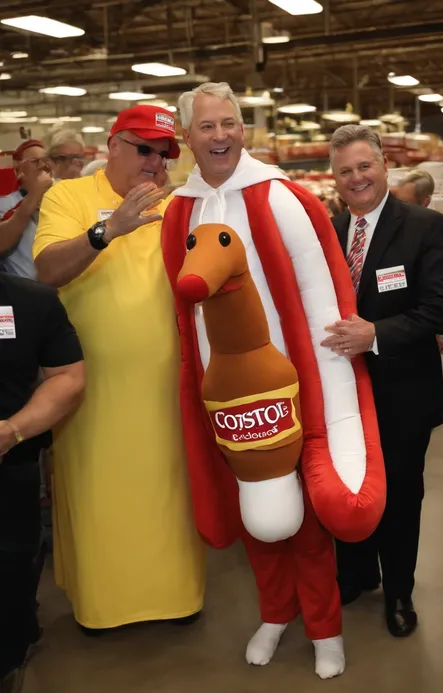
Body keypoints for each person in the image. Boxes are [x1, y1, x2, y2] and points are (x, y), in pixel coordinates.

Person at [161, 82, 386, 679]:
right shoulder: (179, 210)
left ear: (244, 130)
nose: (221, 136)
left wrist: (330, 396)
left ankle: (325, 627)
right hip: (227, 393)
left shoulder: (282, 198)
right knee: (255, 517)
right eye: (207, 127)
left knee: (308, 524)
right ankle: (275, 611)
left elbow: (322, 300)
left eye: (230, 123)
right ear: (187, 137)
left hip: (289, 387)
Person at [32, 104, 205, 634]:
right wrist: (108, 230)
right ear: (113, 146)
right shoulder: (70, 197)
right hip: (92, 389)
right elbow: (46, 269)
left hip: (165, 388)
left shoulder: (181, 206)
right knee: (99, 497)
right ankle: (102, 606)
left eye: (164, 153)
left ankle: (178, 596)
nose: (155, 162)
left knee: (169, 495)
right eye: (144, 149)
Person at [323, 125, 443, 637]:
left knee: (401, 493)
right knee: (349, 486)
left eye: (364, 166)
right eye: (345, 171)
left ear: (383, 166)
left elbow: (442, 305)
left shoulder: (424, 226)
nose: (356, 178)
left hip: (403, 389)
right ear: (336, 179)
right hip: (343, 392)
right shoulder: (330, 233)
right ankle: (356, 574)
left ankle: (399, 591)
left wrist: (375, 333)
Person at [0, 271, 85, 692]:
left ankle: (13, 648)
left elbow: (68, 376)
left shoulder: (31, 301)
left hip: (10, 468)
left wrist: (12, 431)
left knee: (11, 576)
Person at [0, 140, 53, 279]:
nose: (43, 166)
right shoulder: (5, 203)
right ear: (18, 169)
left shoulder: (59, 199)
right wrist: (34, 194)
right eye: (35, 161)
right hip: (27, 292)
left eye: (46, 160)